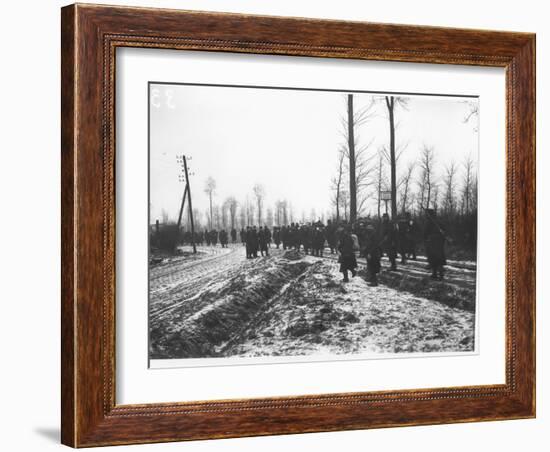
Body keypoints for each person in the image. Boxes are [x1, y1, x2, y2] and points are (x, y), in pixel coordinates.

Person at [424, 209, 446, 279]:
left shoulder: (429, 222)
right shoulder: (439, 221)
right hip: (439, 242)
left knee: (433, 258)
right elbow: (444, 232)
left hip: (432, 242)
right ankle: (441, 274)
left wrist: (425, 239)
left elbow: (425, 233)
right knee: (439, 258)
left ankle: (435, 274)